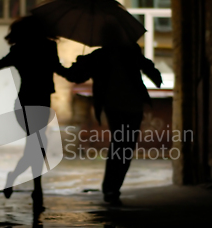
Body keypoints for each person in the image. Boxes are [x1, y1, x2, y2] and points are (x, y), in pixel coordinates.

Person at [0, 15, 67, 228]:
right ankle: (37, 191)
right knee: (37, 146)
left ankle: (14, 178)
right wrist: (80, 71)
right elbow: (62, 71)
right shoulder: (46, 47)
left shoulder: (22, 49)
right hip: (33, 104)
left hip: (29, 103)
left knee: (35, 146)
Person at [65, 26, 162, 206]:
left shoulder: (110, 54)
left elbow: (75, 76)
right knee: (123, 146)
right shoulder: (111, 54)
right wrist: (80, 63)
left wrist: (79, 65)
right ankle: (111, 188)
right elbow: (75, 76)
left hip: (121, 106)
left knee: (121, 146)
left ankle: (111, 188)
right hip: (125, 106)